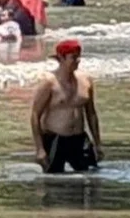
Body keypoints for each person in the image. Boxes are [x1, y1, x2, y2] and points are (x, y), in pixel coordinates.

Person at [30, 39, 104, 173]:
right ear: (61, 58)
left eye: (79, 57)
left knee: (92, 175)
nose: (78, 60)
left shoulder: (86, 80)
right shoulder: (49, 83)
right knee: (53, 179)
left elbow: (91, 114)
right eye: (73, 57)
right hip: (56, 138)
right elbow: (35, 115)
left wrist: (97, 143)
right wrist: (39, 149)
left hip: (79, 138)